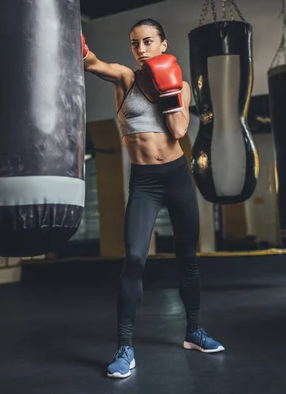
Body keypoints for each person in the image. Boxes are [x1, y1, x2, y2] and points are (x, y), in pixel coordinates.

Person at [82, 19, 225, 379]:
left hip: (177, 177)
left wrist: (167, 87)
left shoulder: (182, 85)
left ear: (163, 44)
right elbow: (93, 63)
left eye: (148, 42)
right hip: (144, 181)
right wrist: (75, 42)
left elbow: (178, 130)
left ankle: (194, 331)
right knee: (133, 258)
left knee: (187, 256)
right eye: (135, 44)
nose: (141, 49)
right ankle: (125, 348)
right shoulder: (125, 79)